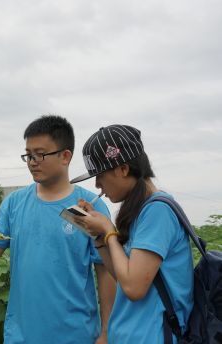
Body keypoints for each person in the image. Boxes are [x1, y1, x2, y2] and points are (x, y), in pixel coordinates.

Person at [0, 115, 116, 344]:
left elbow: (106, 272)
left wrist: (106, 333)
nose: (32, 161)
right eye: (28, 155)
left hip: (76, 335)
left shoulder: (89, 207)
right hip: (21, 335)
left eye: (39, 154)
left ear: (65, 156)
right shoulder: (14, 203)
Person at [70, 124, 194, 343]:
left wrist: (109, 231)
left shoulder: (157, 211)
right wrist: (98, 236)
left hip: (153, 335)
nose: (98, 185)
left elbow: (134, 288)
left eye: (100, 175)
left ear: (123, 169)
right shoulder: (141, 211)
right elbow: (122, 275)